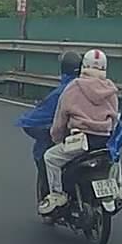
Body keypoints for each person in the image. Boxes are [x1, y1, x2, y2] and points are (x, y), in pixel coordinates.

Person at [39, 49, 120, 215]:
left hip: (79, 142)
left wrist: (57, 137)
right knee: (114, 158)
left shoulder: (74, 87)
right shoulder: (111, 90)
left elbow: (61, 117)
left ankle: (57, 195)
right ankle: (117, 191)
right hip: (103, 141)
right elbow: (115, 118)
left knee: (50, 158)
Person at [16, 51, 84, 198]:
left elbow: (37, 120)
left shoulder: (63, 93)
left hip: (74, 140)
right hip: (100, 139)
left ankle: (55, 195)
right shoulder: (101, 89)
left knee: (48, 157)